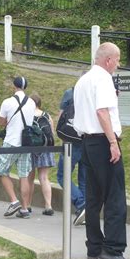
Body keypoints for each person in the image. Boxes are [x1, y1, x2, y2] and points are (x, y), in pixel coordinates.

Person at [73, 42, 130, 259]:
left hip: (87, 141)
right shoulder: (103, 79)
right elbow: (102, 111)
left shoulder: (83, 80)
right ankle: (113, 249)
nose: (118, 65)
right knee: (115, 196)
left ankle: (95, 245)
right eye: (117, 60)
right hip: (102, 141)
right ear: (109, 60)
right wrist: (113, 142)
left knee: (94, 196)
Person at [0, 76, 36, 219]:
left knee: (1, 169)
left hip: (11, 141)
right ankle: (24, 209)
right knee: (23, 175)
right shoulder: (31, 102)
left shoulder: (7, 102)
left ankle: (14, 201)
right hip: (26, 143)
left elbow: (1, 122)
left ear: (14, 86)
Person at [56, 87, 86, 226]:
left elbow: (62, 116)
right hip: (88, 139)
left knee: (63, 175)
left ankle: (81, 204)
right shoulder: (93, 92)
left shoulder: (71, 92)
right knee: (84, 178)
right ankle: (86, 213)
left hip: (71, 141)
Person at [27, 93, 55, 216]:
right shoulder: (47, 115)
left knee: (30, 178)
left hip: (31, 149)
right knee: (44, 177)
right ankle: (48, 206)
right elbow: (52, 133)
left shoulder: (27, 116)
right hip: (45, 148)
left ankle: (27, 205)